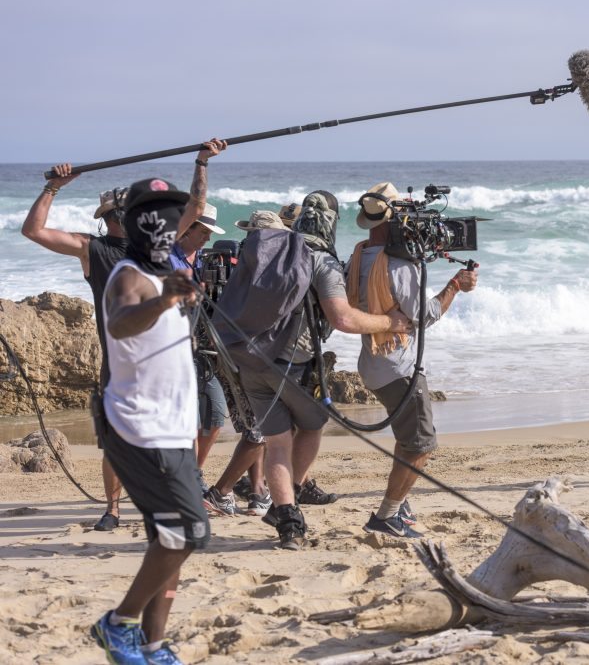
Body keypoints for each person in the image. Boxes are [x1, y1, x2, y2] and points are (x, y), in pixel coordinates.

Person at [19, 139, 223, 532]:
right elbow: (33, 230)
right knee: (118, 439)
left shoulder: (156, 246)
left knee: (176, 430)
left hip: (167, 356)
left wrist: (202, 162)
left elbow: (196, 209)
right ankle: (112, 509)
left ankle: (174, 497)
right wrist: (53, 187)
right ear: (117, 214)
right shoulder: (91, 248)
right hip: (122, 358)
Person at [232, 191, 412, 550]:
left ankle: (286, 520)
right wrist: (390, 322)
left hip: (247, 357)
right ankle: (291, 499)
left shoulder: (272, 248)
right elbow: (342, 319)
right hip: (292, 362)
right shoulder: (322, 261)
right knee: (312, 425)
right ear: (333, 221)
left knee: (277, 442)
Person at [90, 175, 211, 665]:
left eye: (170, 211)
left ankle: (155, 645)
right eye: (152, 213)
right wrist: (164, 300)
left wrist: (180, 295)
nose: (162, 223)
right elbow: (119, 323)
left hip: (173, 428)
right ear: (135, 222)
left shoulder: (168, 272)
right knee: (189, 532)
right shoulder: (128, 275)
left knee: (169, 538)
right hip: (139, 427)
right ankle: (119, 625)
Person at [348, 182, 478, 539]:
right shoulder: (397, 263)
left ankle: (399, 502)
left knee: (407, 439)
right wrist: (455, 285)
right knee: (421, 445)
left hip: (373, 363)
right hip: (398, 367)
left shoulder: (360, 253)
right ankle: (387, 515)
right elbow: (425, 315)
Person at [200, 210, 292, 517]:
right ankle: (220, 492)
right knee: (261, 431)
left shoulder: (237, 265)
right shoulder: (268, 269)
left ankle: (258, 493)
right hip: (251, 360)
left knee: (252, 427)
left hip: (223, 356)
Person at [169, 203, 229, 488]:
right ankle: (190, 482)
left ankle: (194, 474)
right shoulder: (168, 258)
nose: (206, 238)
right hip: (175, 349)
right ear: (186, 229)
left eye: (209, 233)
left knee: (216, 416)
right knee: (189, 423)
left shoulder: (206, 261)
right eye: (202, 232)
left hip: (203, 348)